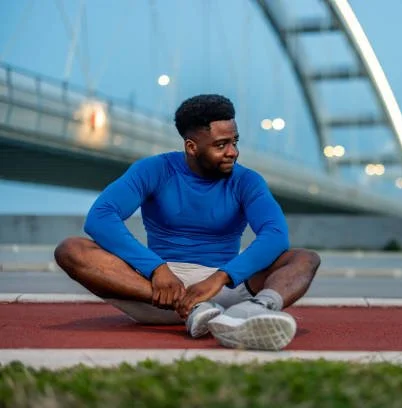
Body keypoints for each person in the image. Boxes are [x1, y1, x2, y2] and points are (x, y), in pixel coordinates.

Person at [54, 94, 320, 351]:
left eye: (235, 142)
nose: (233, 152)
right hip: (158, 293)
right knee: (71, 249)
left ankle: (255, 311)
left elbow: (275, 235)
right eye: (221, 145)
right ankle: (192, 308)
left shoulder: (247, 181)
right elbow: (101, 217)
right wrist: (157, 269)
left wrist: (222, 276)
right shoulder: (154, 170)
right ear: (191, 147)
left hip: (226, 291)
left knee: (304, 258)